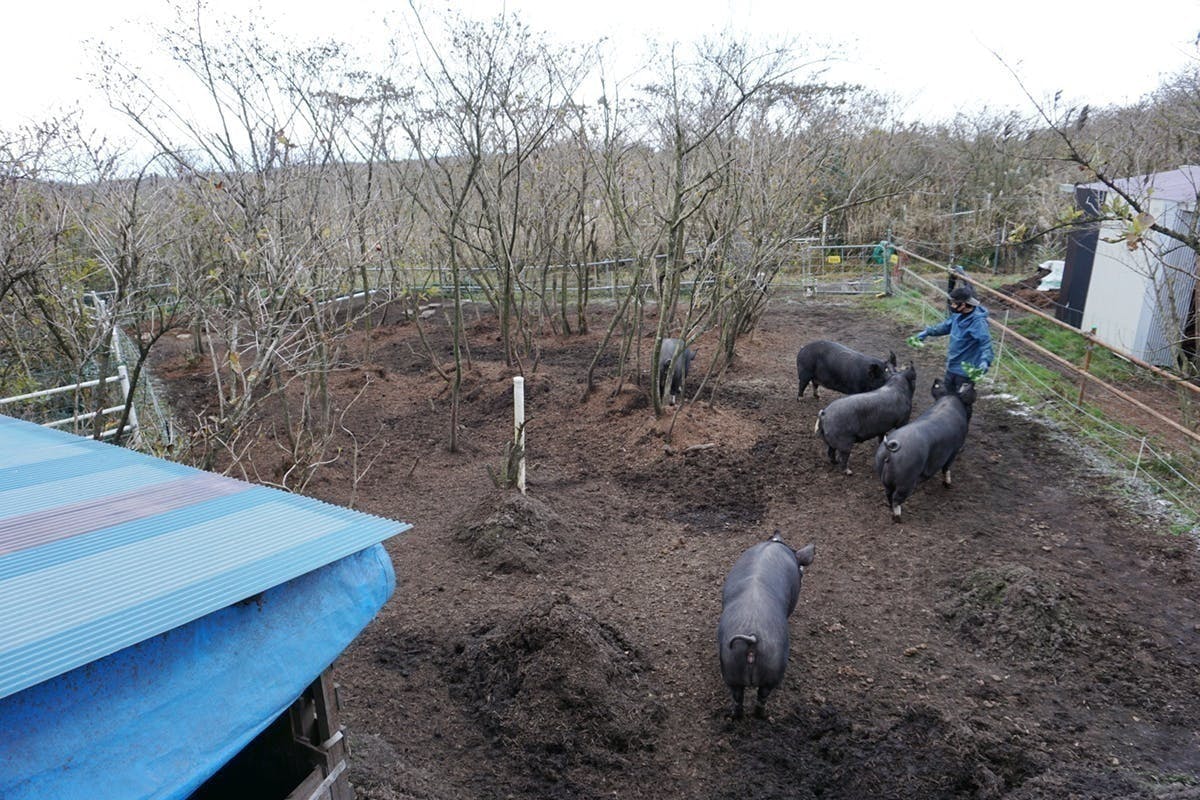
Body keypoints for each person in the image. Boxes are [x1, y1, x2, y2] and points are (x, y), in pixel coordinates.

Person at [907, 286, 994, 398]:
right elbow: (944, 327)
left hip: (966, 371)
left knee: (961, 401)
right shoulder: (958, 315)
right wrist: (927, 332)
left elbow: (985, 344)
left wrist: (985, 361)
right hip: (952, 365)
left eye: (954, 303)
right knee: (947, 396)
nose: (952, 305)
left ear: (964, 304)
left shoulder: (978, 323)